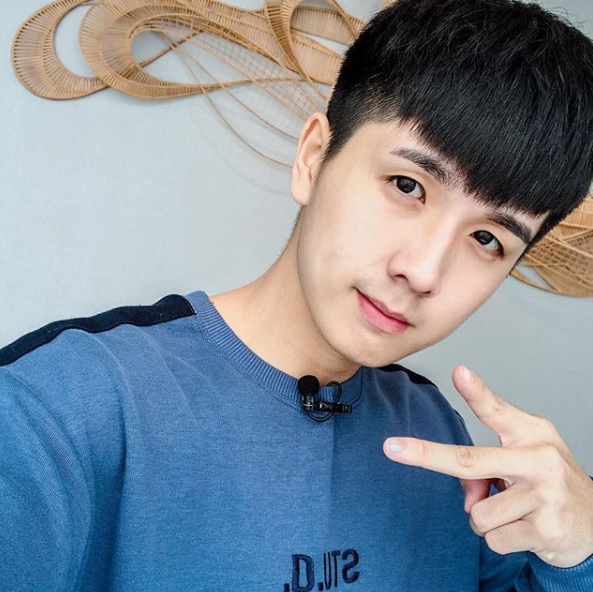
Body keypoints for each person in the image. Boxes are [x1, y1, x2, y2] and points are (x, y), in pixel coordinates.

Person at [2, 0, 593, 589]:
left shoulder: (435, 430)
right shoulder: (56, 407)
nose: (422, 272)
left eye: (487, 239)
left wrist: (578, 555)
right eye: (406, 184)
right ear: (313, 159)